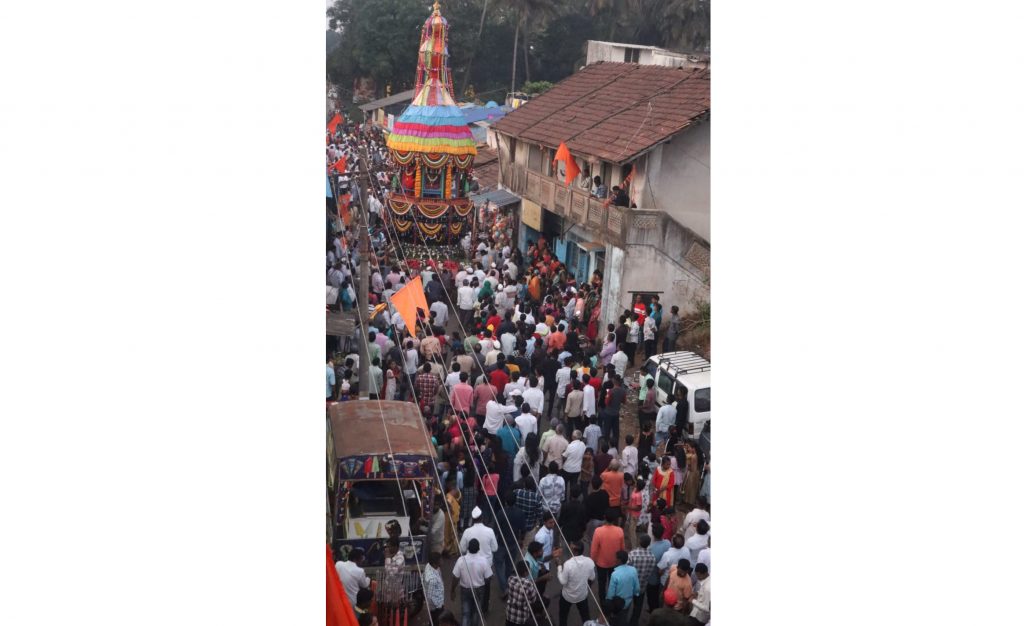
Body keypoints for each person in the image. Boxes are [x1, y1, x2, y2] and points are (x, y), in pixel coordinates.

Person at [460, 506, 498, 612]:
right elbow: (495, 548)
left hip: (471, 565)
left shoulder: (467, 532)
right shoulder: (489, 531)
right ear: (482, 518)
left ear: (473, 519)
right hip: (486, 565)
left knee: (472, 585)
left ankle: (472, 606)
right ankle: (484, 607)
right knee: (486, 587)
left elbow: (462, 549)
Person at [451, 538, 492, 626]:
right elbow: (488, 577)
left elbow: (455, 577)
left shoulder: (461, 560)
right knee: (476, 613)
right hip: (479, 590)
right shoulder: (484, 561)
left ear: (468, 548)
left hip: (465, 590)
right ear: (478, 548)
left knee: (466, 613)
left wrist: (452, 590)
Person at [557, 540, 596, 626]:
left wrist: (559, 567)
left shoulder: (568, 564)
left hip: (567, 596)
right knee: (586, 618)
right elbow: (592, 577)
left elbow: (563, 581)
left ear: (575, 551)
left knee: (563, 617)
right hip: (582, 595)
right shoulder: (589, 561)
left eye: (571, 548)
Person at [591, 510, 626, 601]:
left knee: (601, 583)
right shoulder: (620, 531)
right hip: (615, 562)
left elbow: (594, 549)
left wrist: (593, 560)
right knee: (613, 583)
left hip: (601, 563)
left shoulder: (598, 531)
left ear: (605, 518)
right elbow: (622, 548)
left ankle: (602, 603)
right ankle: (611, 600)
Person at [627, 535, 657, 626]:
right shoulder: (652, 557)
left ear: (639, 542)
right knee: (638, 606)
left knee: (626, 604)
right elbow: (651, 571)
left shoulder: (633, 554)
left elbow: (626, 569)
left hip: (630, 585)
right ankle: (634, 622)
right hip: (642, 586)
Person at [505, 560, 542, 626]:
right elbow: (533, 600)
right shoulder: (528, 584)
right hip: (521, 618)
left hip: (510, 614)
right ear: (525, 573)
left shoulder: (510, 579)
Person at [606, 550, 641, 614]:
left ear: (619, 560)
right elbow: (637, 588)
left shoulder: (615, 574)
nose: (614, 559)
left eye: (615, 558)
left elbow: (611, 593)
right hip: (628, 601)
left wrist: (609, 602)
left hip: (617, 604)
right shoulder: (633, 570)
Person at [423, 551, 446, 625]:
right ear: (434, 563)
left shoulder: (430, 566)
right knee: (436, 622)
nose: (442, 561)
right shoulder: (432, 579)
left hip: (438, 603)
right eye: (440, 560)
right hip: (436, 607)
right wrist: (438, 605)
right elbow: (429, 597)